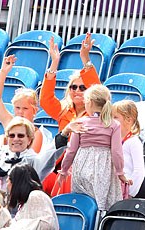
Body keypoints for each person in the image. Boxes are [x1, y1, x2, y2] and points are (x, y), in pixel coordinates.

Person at [39, 32, 101, 195]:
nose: (78, 90)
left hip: (83, 164)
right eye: (73, 87)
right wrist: (54, 63)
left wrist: (85, 58)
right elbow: (45, 99)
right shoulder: (63, 109)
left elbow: (98, 92)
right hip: (59, 164)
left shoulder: (95, 112)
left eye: (82, 87)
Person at [57, 85, 130, 210]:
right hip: (104, 170)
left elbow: (71, 150)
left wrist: (64, 170)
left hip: (81, 168)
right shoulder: (113, 124)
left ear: (89, 103)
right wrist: (120, 172)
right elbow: (116, 152)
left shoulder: (80, 122)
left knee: (82, 204)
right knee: (102, 207)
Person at [0, 111, 53, 182]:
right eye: (12, 136)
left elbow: (52, 155)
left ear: (29, 139)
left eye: (20, 135)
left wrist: (63, 135)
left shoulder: (34, 160)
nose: (15, 139)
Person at [0, 164, 59, 230]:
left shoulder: (36, 196)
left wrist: (21, 226)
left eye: (8, 181)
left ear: (16, 183)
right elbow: (11, 227)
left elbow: (47, 225)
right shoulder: (25, 202)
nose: (7, 185)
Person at [0, 55, 43, 153]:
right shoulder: (9, 122)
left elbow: (31, 159)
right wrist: (3, 72)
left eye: (25, 108)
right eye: (17, 107)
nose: (20, 112)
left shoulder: (36, 133)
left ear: (35, 110)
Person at [112, 100, 145, 198]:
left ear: (128, 120)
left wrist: (129, 192)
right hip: (113, 189)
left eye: (115, 117)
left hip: (125, 191)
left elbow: (139, 171)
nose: (111, 121)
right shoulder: (113, 140)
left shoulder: (134, 142)